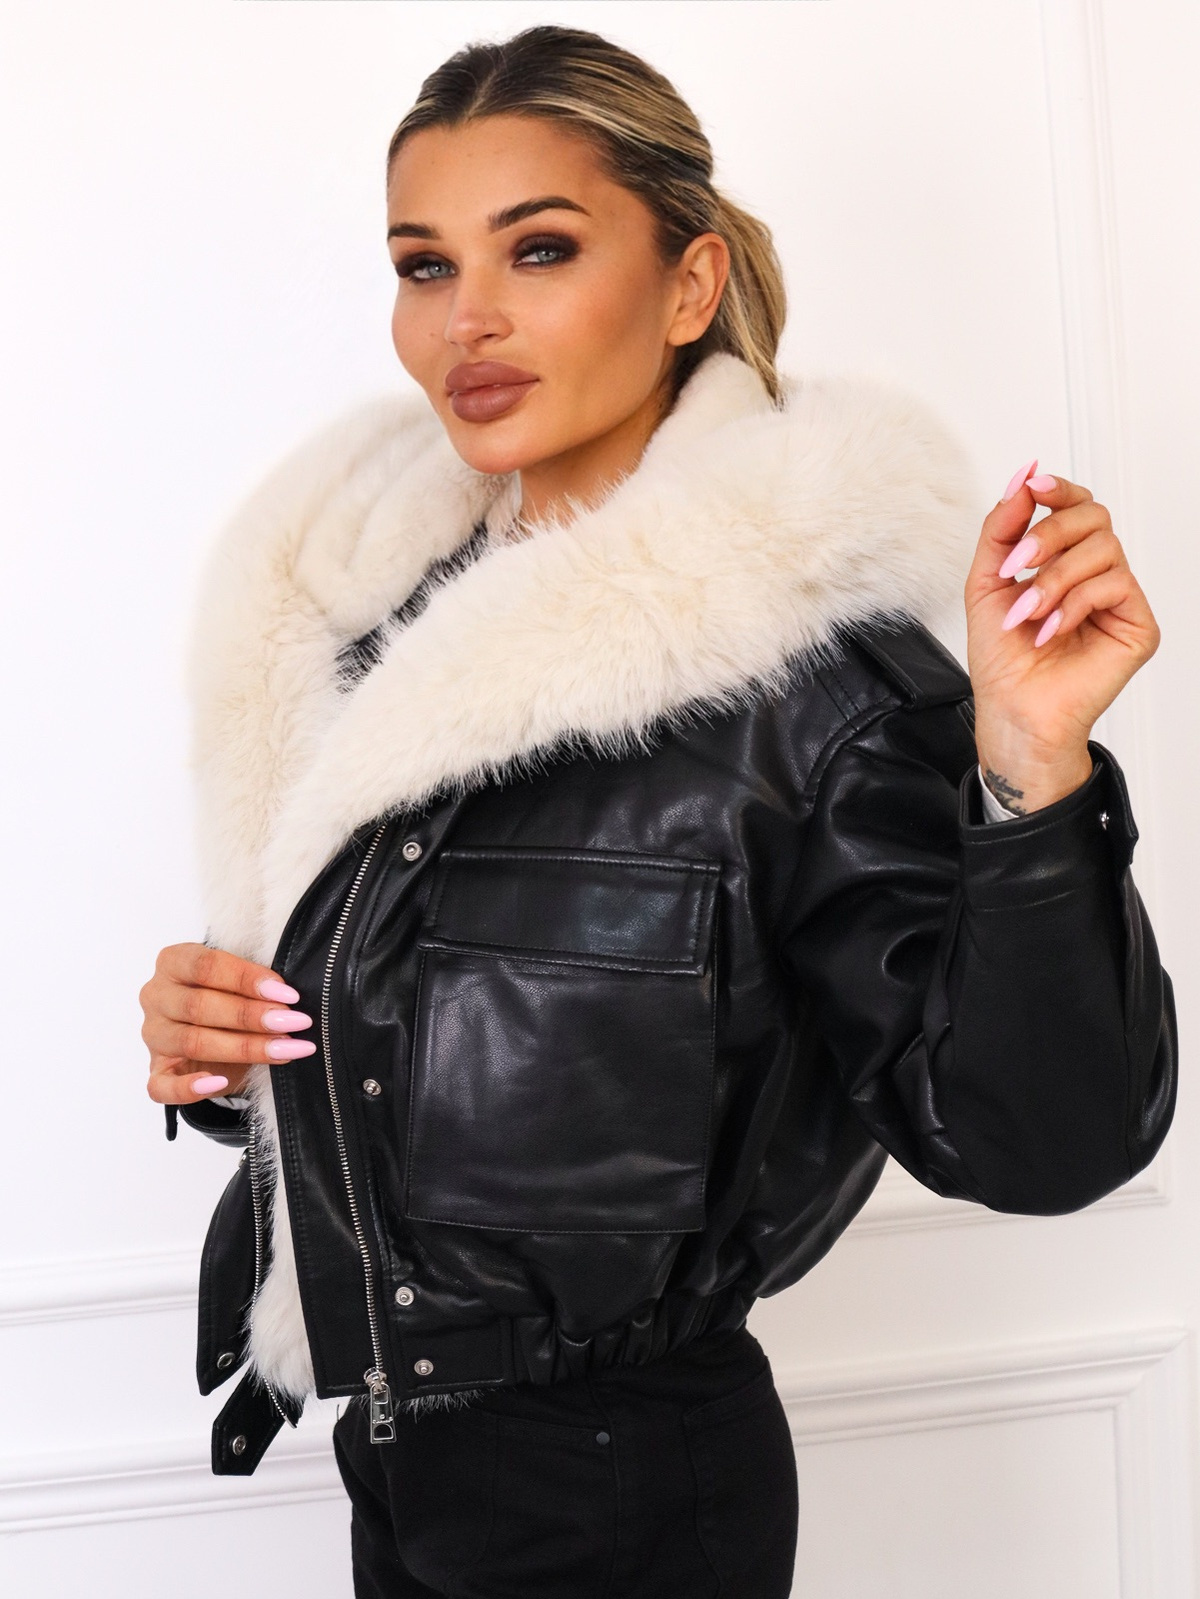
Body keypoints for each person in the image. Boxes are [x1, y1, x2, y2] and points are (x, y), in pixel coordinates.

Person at [139, 24, 1176, 1599]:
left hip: (625, 1499)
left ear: (690, 286)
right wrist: (224, 1052)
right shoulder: (376, 630)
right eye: (424, 265)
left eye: (539, 248)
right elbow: (454, 1067)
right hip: (398, 1470)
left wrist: (1033, 772)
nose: (467, 319)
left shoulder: (812, 687)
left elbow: (1043, 1142)